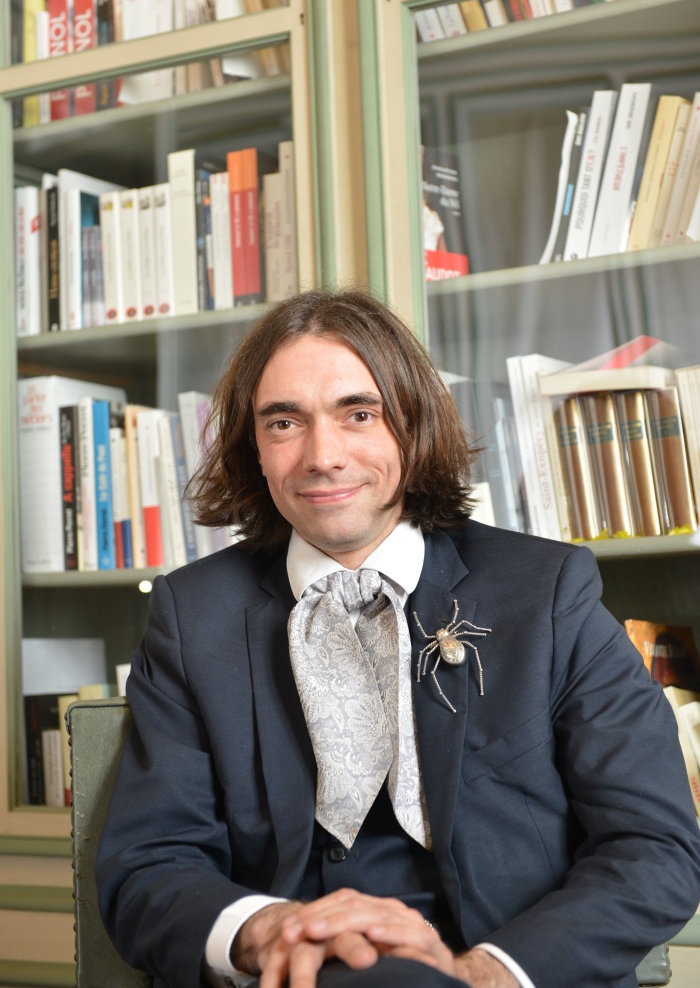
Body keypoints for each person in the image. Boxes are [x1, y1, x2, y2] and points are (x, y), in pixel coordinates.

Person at [96, 288, 700, 988]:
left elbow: (654, 847)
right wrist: (268, 930)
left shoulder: (549, 591)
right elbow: (148, 866)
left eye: (359, 413)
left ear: (413, 427)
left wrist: (484, 974)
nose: (323, 456)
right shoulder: (190, 614)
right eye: (285, 422)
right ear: (253, 448)